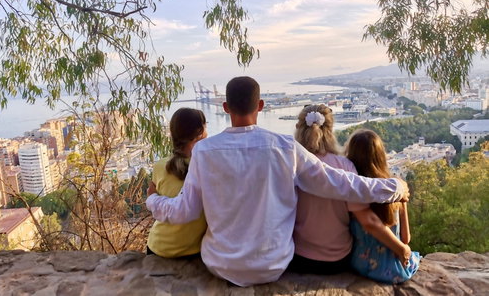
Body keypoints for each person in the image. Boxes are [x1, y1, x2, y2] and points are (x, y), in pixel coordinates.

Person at [146, 76, 409, 287]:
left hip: (219, 265)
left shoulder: (204, 152)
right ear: (260, 106)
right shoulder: (284, 147)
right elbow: (341, 182)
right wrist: (395, 187)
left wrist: (153, 199)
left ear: (225, 108)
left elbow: (184, 211)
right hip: (274, 266)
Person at [291, 105, 412, 276]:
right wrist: (401, 249)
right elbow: (367, 220)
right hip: (336, 260)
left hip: (298, 256)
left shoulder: (291, 165)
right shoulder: (344, 166)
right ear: (330, 130)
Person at [345, 129, 420, 284]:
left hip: (358, 264)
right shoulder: (395, 190)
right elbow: (405, 239)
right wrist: (403, 203)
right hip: (395, 270)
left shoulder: (351, 192)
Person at [146, 107, 208, 258]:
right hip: (192, 250)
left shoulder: (160, 166)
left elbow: (154, 196)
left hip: (157, 246)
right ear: (201, 132)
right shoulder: (207, 167)